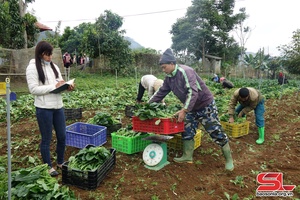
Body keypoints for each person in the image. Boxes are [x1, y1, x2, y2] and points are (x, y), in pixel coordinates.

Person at [149, 48, 234, 171]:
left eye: (164, 67)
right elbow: (161, 92)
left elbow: (193, 93)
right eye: (162, 68)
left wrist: (184, 110)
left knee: (215, 131)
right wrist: (148, 104)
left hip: (205, 105)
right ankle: (187, 156)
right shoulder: (168, 78)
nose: (163, 70)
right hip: (191, 108)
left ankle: (229, 159)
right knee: (187, 129)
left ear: (172, 64)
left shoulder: (186, 71)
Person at [26, 41, 75, 177]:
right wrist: (53, 86)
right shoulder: (32, 67)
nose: (50, 57)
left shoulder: (54, 66)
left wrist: (66, 87)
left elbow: (59, 83)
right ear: (40, 54)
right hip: (44, 108)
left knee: (62, 136)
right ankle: (48, 166)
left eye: (50, 54)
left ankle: (60, 162)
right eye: (47, 54)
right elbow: (33, 89)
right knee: (46, 138)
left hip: (58, 106)